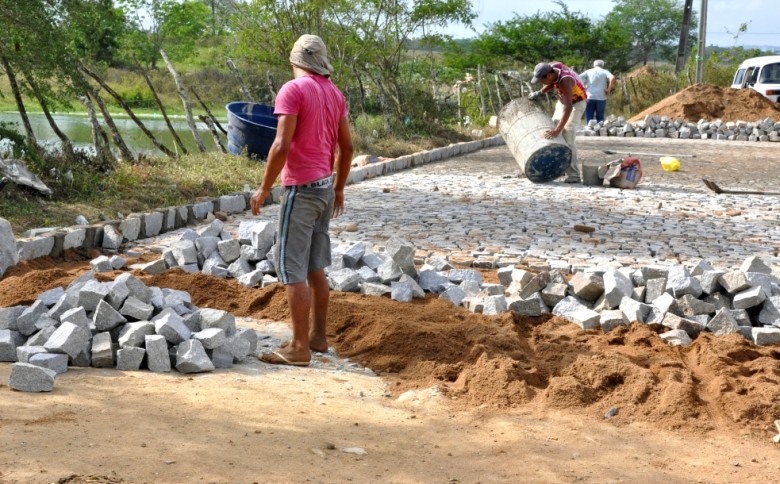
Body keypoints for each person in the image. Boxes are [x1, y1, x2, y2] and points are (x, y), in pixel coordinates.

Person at [250, 34, 353, 366]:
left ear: (294, 61)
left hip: (301, 189)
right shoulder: (334, 93)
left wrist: (265, 188)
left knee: (292, 268)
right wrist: (338, 189)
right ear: (321, 62)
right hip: (324, 189)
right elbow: (347, 147)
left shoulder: (293, 90)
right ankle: (318, 337)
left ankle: (298, 347)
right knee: (314, 267)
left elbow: (281, 144)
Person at [528, 61, 587, 183]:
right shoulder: (553, 67)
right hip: (563, 101)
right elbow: (553, 83)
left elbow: (569, 108)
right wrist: (540, 92)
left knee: (567, 136)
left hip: (576, 103)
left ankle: (574, 175)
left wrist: (558, 129)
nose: (540, 83)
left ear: (548, 75)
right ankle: (559, 167)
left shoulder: (565, 80)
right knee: (552, 128)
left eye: (541, 80)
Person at [579, 60, 616, 124]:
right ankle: (600, 132)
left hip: (589, 96)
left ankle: (589, 130)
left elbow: (578, 77)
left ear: (594, 65)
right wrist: (608, 89)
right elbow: (612, 77)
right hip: (601, 97)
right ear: (603, 65)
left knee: (589, 117)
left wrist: (583, 87)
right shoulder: (605, 71)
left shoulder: (588, 71)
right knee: (600, 117)